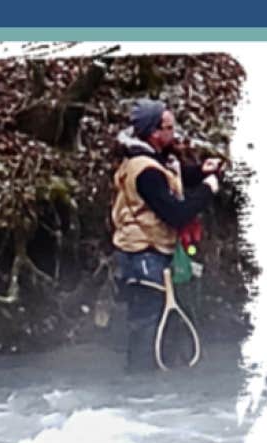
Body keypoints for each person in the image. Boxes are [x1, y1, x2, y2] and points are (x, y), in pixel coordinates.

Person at [110, 99, 224, 372]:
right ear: (154, 133)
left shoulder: (151, 159)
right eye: (169, 127)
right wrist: (208, 189)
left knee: (154, 328)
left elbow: (174, 175)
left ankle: (153, 393)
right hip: (142, 257)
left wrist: (201, 172)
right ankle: (140, 391)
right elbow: (176, 213)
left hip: (149, 254)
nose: (175, 132)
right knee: (146, 329)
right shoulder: (146, 171)